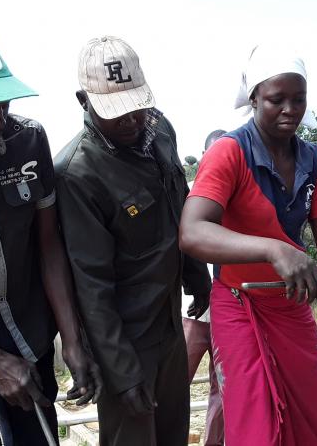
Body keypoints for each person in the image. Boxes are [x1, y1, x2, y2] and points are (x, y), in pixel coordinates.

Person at [179, 45, 317, 446]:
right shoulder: (229, 153)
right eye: (276, 99)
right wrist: (272, 249)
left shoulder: (313, 160)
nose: (290, 109)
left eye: (298, 99)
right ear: (254, 98)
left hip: (291, 304)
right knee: (255, 425)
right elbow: (193, 231)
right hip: (240, 302)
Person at [54, 36, 211, 446]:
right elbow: (92, 285)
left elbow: (179, 204)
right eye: (115, 112)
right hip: (124, 337)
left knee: (174, 432)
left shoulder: (160, 130)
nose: (130, 121)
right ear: (83, 101)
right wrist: (122, 374)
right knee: (133, 437)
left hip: (168, 323)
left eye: (135, 106)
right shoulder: (77, 174)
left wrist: (196, 272)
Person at [0, 35, 101, 446]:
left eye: (3, 104)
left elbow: (48, 246)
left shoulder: (27, 140)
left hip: (24, 324)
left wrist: (73, 342)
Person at [182, 129, 225, 446]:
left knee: (223, 390)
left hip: (227, 314)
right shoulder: (189, 195)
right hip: (192, 314)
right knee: (174, 384)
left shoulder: (238, 195)